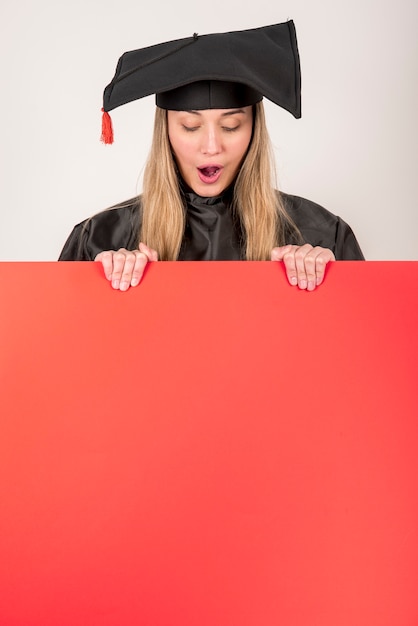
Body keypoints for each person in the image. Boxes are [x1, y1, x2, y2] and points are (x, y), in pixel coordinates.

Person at [59, 21, 364, 291]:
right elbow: (54, 346)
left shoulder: (320, 234)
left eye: (231, 126)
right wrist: (100, 289)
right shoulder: (98, 239)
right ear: (166, 131)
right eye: (190, 127)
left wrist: (329, 283)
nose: (211, 146)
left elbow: (366, 345)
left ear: (254, 128)